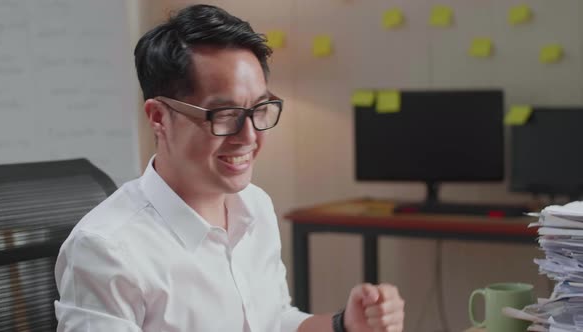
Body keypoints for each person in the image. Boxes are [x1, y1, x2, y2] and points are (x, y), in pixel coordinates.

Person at [54, 4, 405, 332]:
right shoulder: (105, 249)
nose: (249, 136)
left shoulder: (254, 206)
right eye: (224, 115)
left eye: (259, 109)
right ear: (159, 117)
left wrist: (344, 324)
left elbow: (272, 320)